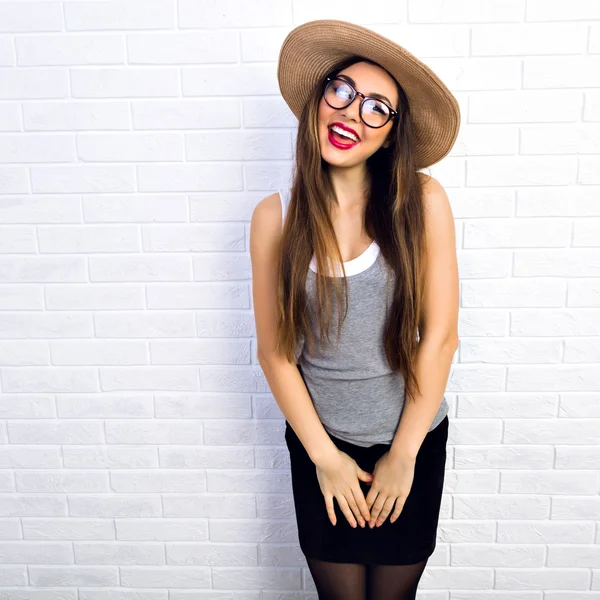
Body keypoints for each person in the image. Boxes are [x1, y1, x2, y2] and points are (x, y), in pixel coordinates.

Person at [250, 19, 460, 600]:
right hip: (322, 448)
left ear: (392, 135)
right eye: (342, 92)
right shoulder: (277, 216)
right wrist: (325, 458)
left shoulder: (421, 201)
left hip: (411, 444)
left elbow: (439, 337)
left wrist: (403, 455)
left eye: (377, 108)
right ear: (319, 99)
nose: (351, 114)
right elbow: (275, 351)